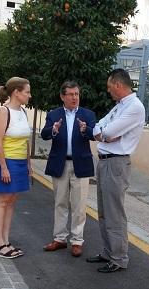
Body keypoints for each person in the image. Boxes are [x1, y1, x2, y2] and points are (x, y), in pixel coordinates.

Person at [86, 69, 145, 273]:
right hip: (105, 162)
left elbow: (108, 131)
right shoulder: (120, 106)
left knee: (114, 213)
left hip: (116, 163)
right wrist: (105, 134)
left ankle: (119, 257)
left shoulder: (135, 107)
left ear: (118, 85)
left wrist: (106, 133)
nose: (109, 91)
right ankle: (108, 251)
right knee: (103, 212)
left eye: (110, 87)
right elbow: (98, 127)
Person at [40, 81, 96, 257]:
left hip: (81, 164)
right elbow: (44, 133)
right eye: (71, 94)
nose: (74, 98)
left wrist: (86, 130)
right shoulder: (54, 114)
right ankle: (59, 239)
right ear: (62, 96)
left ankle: (77, 241)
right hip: (60, 163)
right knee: (60, 203)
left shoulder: (88, 114)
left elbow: (94, 134)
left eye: (77, 94)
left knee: (79, 205)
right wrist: (54, 130)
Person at [0, 77, 32, 259]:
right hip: (7, 162)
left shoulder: (22, 112)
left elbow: (26, 140)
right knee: (2, 201)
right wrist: (4, 167)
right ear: (16, 92)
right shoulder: (3, 111)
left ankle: (6, 241)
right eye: (27, 92)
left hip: (21, 162)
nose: (30, 95)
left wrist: (29, 165)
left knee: (12, 201)